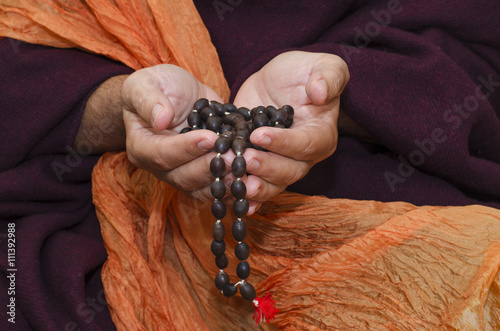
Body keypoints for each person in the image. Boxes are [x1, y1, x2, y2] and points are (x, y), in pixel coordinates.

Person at [1, 0, 499, 329]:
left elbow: (479, 52)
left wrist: (333, 98)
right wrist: (119, 107)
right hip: (85, 208)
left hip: (383, 184)